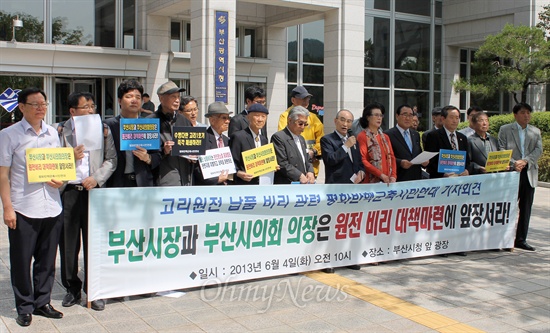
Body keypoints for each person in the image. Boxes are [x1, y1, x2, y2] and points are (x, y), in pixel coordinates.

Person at [0, 88, 64, 327]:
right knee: (21, 260)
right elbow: (3, 175)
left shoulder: (52, 133)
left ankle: (43, 302)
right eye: (35, 103)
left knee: (47, 260)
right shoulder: (9, 135)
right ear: (21, 107)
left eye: (43, 103)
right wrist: (7, 208)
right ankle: (24, 306)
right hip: (24, 207)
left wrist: (61, 180)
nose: (40, 107)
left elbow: (59, 168)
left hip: (52, 205)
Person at [58, 92, 116, 312]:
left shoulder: (103, 130)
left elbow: (111, 159)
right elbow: (52, 159)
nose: (91, 110)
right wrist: (69, 157)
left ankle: (94, 290)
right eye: (86, 107)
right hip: (70, 191)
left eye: (93, 106)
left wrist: (97, 178)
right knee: (68, 244)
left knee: (95, 242)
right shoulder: (60, 130)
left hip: (93, 191)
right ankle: (72, 288)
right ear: (73, 111)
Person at [498, 102, 542, 251]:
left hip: (529, 172)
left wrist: (525, 161)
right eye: (523, 113)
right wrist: (514, 163)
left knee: (526, 208)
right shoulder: (505, 130)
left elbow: (538, 150)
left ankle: (521, 239)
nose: (526, 116)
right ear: (515, 115)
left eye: (528, 113)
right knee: (508, 207)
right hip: (512, 172)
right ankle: (505, 239)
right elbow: (501, 148)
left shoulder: (535, 131)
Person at [105, 80, 161, 187]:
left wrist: (148, 158)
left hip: (142, 183)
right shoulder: (109, 125)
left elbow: (158, 156)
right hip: (116, 184)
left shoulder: (148, 125)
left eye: (138, 97)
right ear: (119, 101)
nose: (134, 100)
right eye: (129, 96)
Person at [148, 81, 194, 186]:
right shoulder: (150, 121)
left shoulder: (184, 121)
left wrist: (194, 155)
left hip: (186, 180)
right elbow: (148, 157)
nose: (177, 100)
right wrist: (164, 151)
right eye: (173, 97)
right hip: (163, 182)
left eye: (178, 97)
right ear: (161, 98)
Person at [278, 86, 324, 177]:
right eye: (303, 98)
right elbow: (284, 140)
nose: (306, 101)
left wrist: (314, 151)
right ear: (293, 100)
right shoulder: (285, 116)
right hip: (293, 169)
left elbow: (321, 138)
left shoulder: (313, 117)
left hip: (311, 168)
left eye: (308, 98)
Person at [272, 106, 315, 184]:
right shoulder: (279, 137)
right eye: (300, 123)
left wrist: (310, 171)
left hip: (303, 183)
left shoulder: (301, 138)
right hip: (287, 183)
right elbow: (282, 163)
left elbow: (307, 159)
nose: (303, 127)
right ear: (289, 120)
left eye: (305, 124)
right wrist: (299, 175)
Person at [424, 105, 470, 179]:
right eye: (451, 117)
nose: (455, 121)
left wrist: (467, 170)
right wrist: (443, 174)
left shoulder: (462, 138)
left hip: (460, 179)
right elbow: (431, 161)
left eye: (457, 118)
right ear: (443, 119)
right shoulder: (433, 136)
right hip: (441, 180)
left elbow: (467, 160)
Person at [320, 109, 365, 184]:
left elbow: (359, 161)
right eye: (342, 120)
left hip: (354, 184)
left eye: (349, 121)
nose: (345, 124)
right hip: (337, 184)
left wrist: (361, 172)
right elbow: (331, 160)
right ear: (335, 121)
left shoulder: (353, 140)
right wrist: (345, 146)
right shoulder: (327, 140)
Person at [356, 102, 397, 184]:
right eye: (376, 115)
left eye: (381, 115)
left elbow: (392, 157)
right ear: (368, 117)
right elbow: (363, 160)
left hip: (387, 181)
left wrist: (393, 176)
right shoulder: (362, 136)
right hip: (370, 182)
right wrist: (380, 174)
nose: (379, 118)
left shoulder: (385, 137)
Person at [230, 103, 270, 185]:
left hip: (262, 185)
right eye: (257, 116)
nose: (260, 119)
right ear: (248, 117)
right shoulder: (239, 137)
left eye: (263, 116)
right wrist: (239, 173)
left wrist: (272, 166)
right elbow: (232, 163)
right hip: (244, 185)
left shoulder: (264, 139)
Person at [385, 105, 427, 181]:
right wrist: (400, 162)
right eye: (405, 115)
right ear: (397, 116)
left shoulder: (415, 134)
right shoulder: (388, 134)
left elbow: (418, 153)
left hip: (416, 180)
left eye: (410, 115)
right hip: (398, 179)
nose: (408, 118)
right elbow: (385, 157)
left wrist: (424, 161)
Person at [194, 102, 232, 185]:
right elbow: (197, 168)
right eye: (224, 118)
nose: (228, 121)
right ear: (212, 120)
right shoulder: (202, 139)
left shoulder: (227, 140)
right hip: (208, 189)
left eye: (228, 118)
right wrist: (217, 180)